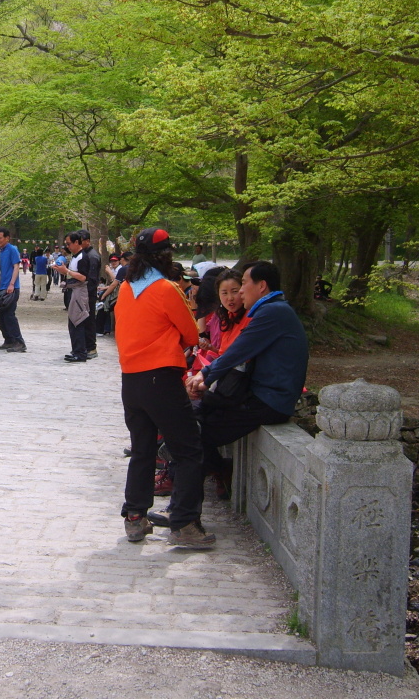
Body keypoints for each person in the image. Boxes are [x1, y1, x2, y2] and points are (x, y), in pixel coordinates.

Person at [115, 227, 216, 548]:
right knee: (188, 449)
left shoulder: (126, 289)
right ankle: (185, 524)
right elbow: (189, 333)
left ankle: (135, 518)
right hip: (161, 379)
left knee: (142, 451)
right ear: (166, 255)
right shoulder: (167, 289)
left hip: (130, 382)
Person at [185, 261, 309, 459]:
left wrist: (205, 376)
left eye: (243, 284)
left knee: (197, 434)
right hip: (260, 394)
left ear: (261, 286)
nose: (241, 292)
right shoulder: (272, 310)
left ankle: (192, 478)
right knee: (197, 415)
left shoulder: (273, 312)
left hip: (270, 400)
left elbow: (237, 352)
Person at [53, 232, 89, 362]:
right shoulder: (75, 257)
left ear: (76, 243)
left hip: (79, 292)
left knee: (77, 321)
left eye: (68, 244)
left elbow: (84, 277)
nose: (67, 246)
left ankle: (80, 353)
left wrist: (67, 271)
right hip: (73, 290)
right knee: (73, 322)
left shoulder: (82, 258)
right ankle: (76, 350)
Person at [0, 227, 26, 353]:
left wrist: (12, 284)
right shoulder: (1, 251)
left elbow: (16, 267)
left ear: (7, 238)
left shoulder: (13, 249)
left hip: (11, 288)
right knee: (1, 317)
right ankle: (8, 340)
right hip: (2, 288)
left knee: (9, 316)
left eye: (0, 238)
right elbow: (2, 270)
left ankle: (19, 342)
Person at [77, 229, 102, 359]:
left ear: (87, 241)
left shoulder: (92, 256)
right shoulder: (83, 254)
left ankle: (91, 347)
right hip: (83, 292)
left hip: (88, 293)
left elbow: (91, 279)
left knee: (89, 320)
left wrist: (85, 294)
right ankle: (85, 345)